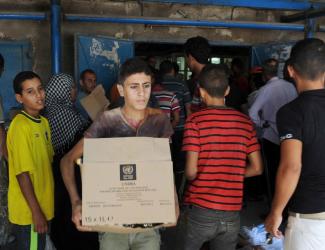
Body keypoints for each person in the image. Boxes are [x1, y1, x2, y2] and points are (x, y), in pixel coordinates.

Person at [61, 58, 176, 250]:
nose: (141, 93)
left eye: (146, 86)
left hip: (148, 222)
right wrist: (76, 202)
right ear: (121, 90)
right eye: (134, 87)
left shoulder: (159, 120)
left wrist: (173, 202)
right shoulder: (108, 121)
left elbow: (164, 166)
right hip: (112, 225)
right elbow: (67, 160)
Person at [177, 64, 263, 250]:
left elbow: (191, 172)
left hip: (201, 210)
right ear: (228, 90)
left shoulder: (195, 121)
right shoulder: (244, 122)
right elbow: (257, 168)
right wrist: (229, 174)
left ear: (200, 91)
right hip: (231, 210)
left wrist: (210, 173)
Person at [265, 38, 325, 249]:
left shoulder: (291, 112)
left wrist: (275, 211)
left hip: (310, 219)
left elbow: (291, 166)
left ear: (291, 70)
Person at [44, 73, 97, 250]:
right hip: (68, 164)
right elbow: (82, 134)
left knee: (64, 205)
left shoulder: (54, 109)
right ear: (63, 91)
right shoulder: (60, 111)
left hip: (62, 164)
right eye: (71, 88)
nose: (74, 91)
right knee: (71, 204)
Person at [7, 71, 54, 250]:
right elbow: (22, 173)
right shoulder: (20, 126)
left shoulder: (43, 122)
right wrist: (36, 212)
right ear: (19, 98)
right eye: (30, 92)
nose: (38, 95)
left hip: (43, 206)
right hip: (29, 213)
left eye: (40, 89)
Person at [249, 58, 297, 195]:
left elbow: (252, 113)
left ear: (264, 75)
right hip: (290, 135)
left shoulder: (266, 89)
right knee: (287, 170)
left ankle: (274, 208)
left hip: (270, 135)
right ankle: (286, 206)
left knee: (272, 172)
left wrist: (261, 123)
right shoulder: (290, 86)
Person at [159, 60, 192, 193]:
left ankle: (163, 193)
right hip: (179, 129)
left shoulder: (156, 86)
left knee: (162, 163)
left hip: (160, 132)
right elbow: (188, 109)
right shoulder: (181, 84)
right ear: (173, 70)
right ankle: (178, 193)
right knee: (179, 163)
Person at [184, 36, 211, 112]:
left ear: (190, 57)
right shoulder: (213, 76)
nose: (186, 62)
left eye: (186, 58)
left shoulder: (204, 80)